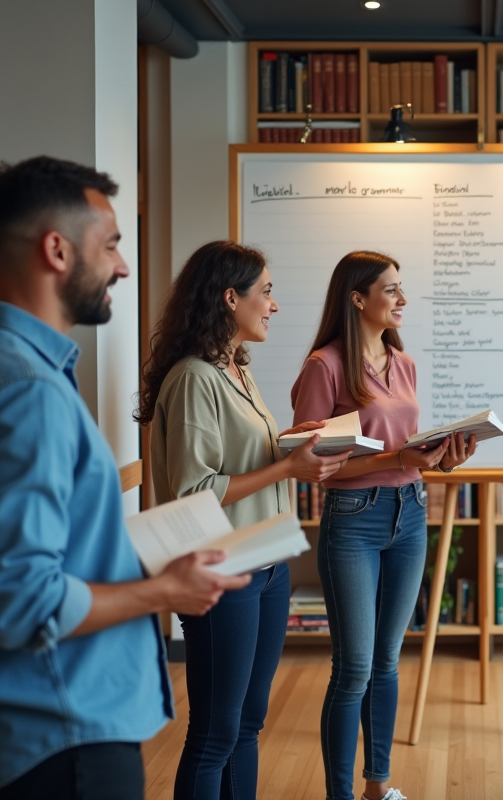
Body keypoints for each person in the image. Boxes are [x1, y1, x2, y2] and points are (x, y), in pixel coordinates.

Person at [0, 156, 249, 800]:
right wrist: (164, 591)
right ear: (57, 250)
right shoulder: (23, 391)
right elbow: (21, 603)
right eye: (113, 245)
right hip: (62, 738)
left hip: (20, 732)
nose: (123, 266)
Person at [137, 240, 350, 800]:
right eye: (267, 292)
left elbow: (246, 458)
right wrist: (286, 466)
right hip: (221, 567)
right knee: (214, 732)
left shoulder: (235, 369)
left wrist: (301, 452)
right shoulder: (194, 379)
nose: (274, 305)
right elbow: (194, 490)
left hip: (266, 558)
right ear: (230, 298)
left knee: (249, 723)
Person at [290, 250, 477, 800]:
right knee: (353, 668)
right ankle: (340, 796)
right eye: (391, 289)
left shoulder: (405, 363)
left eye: (401, 288)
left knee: (388, 662)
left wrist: (442, 458)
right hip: (353, 519)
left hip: (410, 513)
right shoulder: (323, 367)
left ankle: (378, 787)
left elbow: (405, 450)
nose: (402, 299)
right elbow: (317, 469)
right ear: (358, 298)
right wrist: (400, 459)